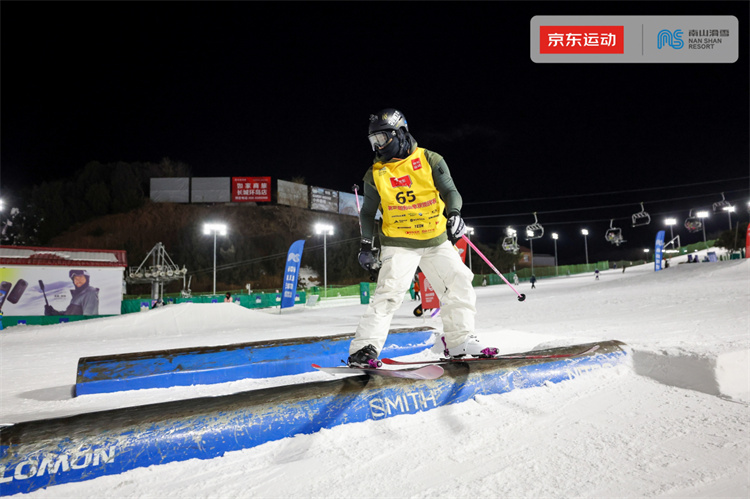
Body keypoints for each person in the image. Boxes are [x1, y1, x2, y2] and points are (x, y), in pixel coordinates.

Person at [348, 108, 497, 368]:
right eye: (374, 140)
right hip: (399, 243)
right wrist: (366, 245)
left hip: (436, 240)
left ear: (400, 133)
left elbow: (450, 191)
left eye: (382, 138)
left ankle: (460, 340)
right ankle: (363, 349)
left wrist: (454, 214)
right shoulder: (375, 173)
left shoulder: (429, 159)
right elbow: (368, 212)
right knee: (389, 294)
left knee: (459, 281)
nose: (378, 146)